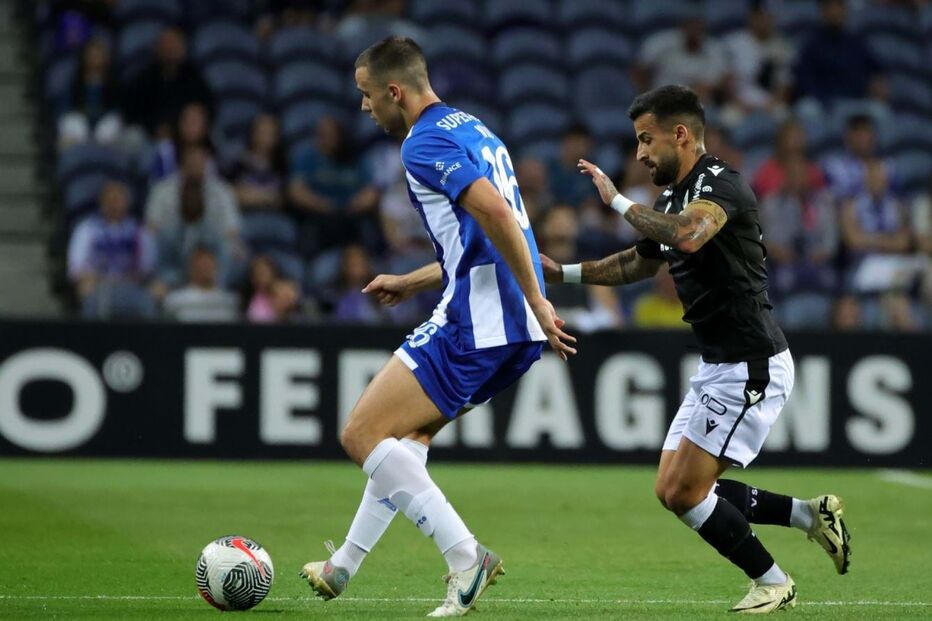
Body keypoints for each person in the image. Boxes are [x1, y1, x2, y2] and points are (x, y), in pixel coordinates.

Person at [541, 86, 850, 613]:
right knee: (672, 489)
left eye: (646, 139)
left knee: (686, 492)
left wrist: (617, 201)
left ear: (680, 134)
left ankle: (774, 581)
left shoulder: (720, 185)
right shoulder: (670, 200)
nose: (640, 153)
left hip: (751, 363)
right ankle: (807, 514)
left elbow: (687, 236)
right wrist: (564, 273)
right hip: (718, 365)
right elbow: (637, 263)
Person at [299, 36, 575, 618]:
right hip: (512, 327)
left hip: (479, 319)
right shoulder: (475, 129)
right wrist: (413, 280)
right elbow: (490, 235)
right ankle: (343, 565)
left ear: (394, 91)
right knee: (405, 443)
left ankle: (466, 557)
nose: (364, 106)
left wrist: (536, 299)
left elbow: (496, 214)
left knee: (360, 434)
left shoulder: (421, 142)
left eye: (367, 94)